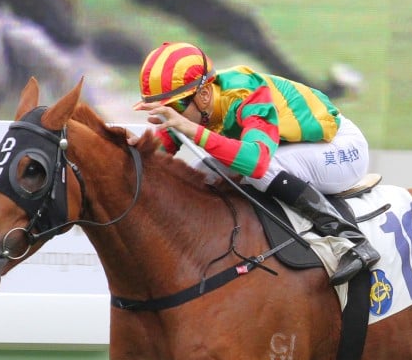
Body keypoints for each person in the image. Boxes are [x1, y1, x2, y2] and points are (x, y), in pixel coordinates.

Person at [134, 41, 378, 285]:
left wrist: (190, 129)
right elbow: (156, 155)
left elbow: (256, 162)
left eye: (174, 107)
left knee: (263, 170)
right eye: (162, 109)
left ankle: (351, 240)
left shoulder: (247, 94)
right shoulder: (195, 106)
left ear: (204, 94)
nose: (170, 116)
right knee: (206, 173)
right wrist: (129, 150)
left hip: (341, 148)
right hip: (296, 146)